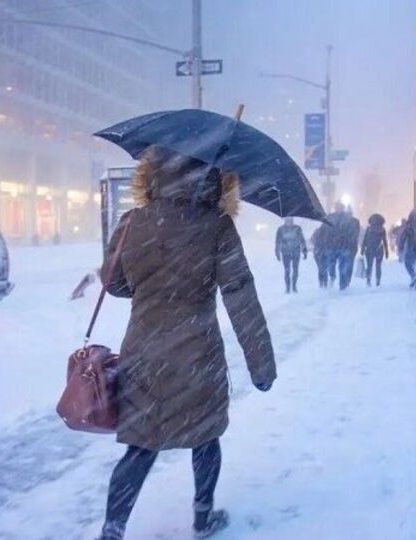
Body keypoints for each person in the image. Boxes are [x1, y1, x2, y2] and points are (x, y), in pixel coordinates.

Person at [99, 146, 277, 540]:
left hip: (143, 354)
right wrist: (261, 365)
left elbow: (114, 284)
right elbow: (239, 294)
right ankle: (203, 517)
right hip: (198, 354)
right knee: (205, 436)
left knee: (141, 446)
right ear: (215, 177)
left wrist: (152, 284)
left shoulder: (133, 222)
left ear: (152, 174)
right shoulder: (216, 226)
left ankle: (112, 530)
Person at [326, 203, 361, 290]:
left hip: (343, 246)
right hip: (333, 245)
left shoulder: (349, 220)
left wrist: (348, 241)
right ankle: (333, 276)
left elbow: (353, 233)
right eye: (337, 207)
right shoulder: (330, 217)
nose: (339, 209)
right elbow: (325, 230)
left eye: (340, 207)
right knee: (331, 265)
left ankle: (343, 285)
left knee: (343, 267)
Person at [275, 217, 308, 293]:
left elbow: (301, 239)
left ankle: (294, 286)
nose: (289, 221)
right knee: (287, 270)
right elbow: (278, 241)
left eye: (290, 219)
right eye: (287, 219)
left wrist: (304, 250)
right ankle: (288, 287)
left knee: (295, 269)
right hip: (285, 252)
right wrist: (277, 252)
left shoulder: (297, 228)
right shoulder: (280, 229)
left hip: (295, 251)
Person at [361, 213, 390, 287]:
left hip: (369, 249)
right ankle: (378, 280)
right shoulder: (382, 229)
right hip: (379, 249)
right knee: (378, 266)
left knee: (369, 265)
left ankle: (368, 279)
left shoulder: (369, 229)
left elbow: (365, 239)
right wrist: (387, 251)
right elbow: (384, 240)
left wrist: (362, 249)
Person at [397, 218, 416, 287]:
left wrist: (400, 247)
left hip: (412, 247)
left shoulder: (409, 227)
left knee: (408, 263)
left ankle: (413, 276)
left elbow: (403, 237)